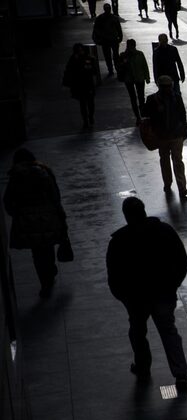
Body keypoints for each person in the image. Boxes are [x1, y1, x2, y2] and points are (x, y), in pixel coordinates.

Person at [106, 197, 187, 391]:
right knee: (169, 332)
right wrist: (172, 285)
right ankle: (181, 374)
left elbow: (114, 276)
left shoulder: (119, 241)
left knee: (137, 332)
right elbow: (181, 261)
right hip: (163, 293)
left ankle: (143, 367)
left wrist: (125, 298)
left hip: (136, 299)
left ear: (126, 216)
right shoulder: (165, 231)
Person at [4, 149, 68, 298]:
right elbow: (55, 196)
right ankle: (51, 270)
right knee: (48, 246)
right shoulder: (45, 172)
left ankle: (44, 282)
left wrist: (17, 213)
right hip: (47, 216)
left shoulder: (16, 176)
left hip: (28, 221)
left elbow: (8, 200)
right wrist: (59, 214)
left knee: (37, 253)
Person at [141, 76, 187, 198]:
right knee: (167, 160)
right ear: (160, 86)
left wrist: (184, 129)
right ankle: (169, 183)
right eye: (166, 86)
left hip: (172, 134)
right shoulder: (153, 99)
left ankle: (181, 187)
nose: (168, 89)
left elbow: (182, 114)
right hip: (163, 135)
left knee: (174, 160)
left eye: (169, 86)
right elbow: (145, 113)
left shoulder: (176, 97)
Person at [62, 43, 99, 129]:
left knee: (90, 103)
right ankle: (86, 120)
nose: (80, 52)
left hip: (87, 84)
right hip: (80, 85)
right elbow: (69, 71)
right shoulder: (73, 59)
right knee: (83, 104)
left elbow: (94, 71)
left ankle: (90, 116)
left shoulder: (88, 58)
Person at [117, 39, 150, 126]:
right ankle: (138, 117)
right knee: (134, 98)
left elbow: (144, 65)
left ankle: (141, 115)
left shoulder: (139, 54)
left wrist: (147, 77)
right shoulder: (123, 56)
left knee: (140, 97)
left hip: (138, 78)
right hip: (130, 79)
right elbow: (119, 67)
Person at [92, 3, 123, 77]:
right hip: (108, 40)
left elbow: (119, 29)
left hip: (109, 39)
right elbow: (96, 29)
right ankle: (112, 69)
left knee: (112, 56)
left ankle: (113, 69)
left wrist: (120, 37)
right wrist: (120, 37)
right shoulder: (111, 18)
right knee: (111, 56)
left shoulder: (102, 18)